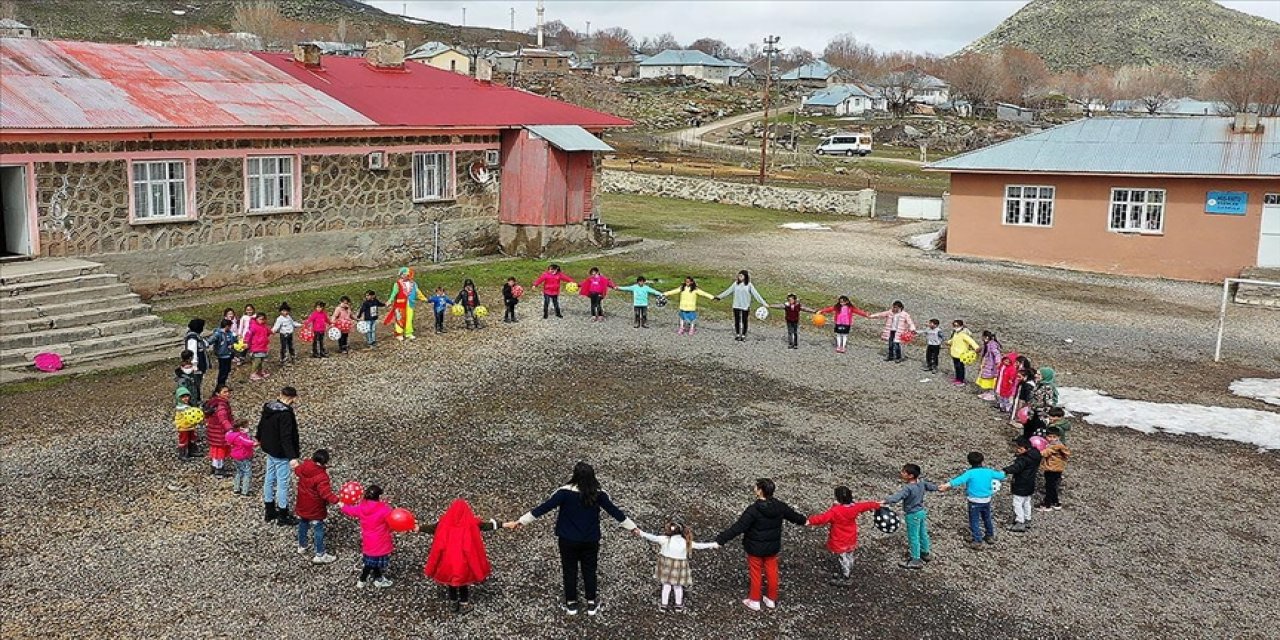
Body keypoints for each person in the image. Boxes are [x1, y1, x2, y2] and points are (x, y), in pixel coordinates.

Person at [507, 462, 637, 617]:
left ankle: (571, 603)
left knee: (569, 570)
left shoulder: (563, 493)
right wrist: (633, 527)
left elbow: (543, 508)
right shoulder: (598, 494)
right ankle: (591, 602)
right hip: (590, 539)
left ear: (574, 475)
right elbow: (615, 512)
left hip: (568, 539)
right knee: (590, 570)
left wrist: (521, 521)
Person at [714, 478, 808, 612]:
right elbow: (794, 516)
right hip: (772, 546)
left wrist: (721, 540)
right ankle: (771, 599)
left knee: (756, 573)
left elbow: (738, 527)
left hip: (755, 547)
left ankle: (754, 600)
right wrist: (805, 521)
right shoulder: (779, 506)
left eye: (756, 487)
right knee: (772, 571)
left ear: (760, 491)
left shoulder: (753, 510)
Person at [419, 499, 502, 614]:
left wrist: (418, 528)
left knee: (451, 583)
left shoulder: (444, 524)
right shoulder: (471, 524)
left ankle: (453, 603)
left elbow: (432, 528)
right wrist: (505, 524)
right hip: (463, 562)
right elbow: (487, 526)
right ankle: (464, 604)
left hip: (447, 561)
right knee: (463, 584)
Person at [633, 521, 719, 612]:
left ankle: (664, 605)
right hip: (679, 566)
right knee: (678, 586)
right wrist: (714, 544)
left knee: (666, 586)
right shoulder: (686, 542)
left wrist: (640, 532)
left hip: (666, 565)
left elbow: (652, 537)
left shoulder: (665, 539)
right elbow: (700, 546)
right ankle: (678, 605)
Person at [806, 486, 880, 583]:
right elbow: (866, 505)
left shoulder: (835, 511)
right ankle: (848, 571)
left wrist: (809, 521)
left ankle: (846, 577)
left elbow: (823, 518)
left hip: (839, 538)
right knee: (850, 555)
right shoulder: (854, 507)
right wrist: (876, 504)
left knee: (842, 558)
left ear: (838, 498)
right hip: (851, 536)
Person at [939, 452, 1006, 549]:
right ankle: (990, 536)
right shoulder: (989, 471)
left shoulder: (969, 473)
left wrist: (947, 485)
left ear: (969, 462)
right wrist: (1005, 471)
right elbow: (1001, 476)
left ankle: (977, 540)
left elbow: (959, 480)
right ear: (982, 460)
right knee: (987, 518)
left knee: (974, 520)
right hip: (986, 500)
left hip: (974, 501)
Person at [257, 386, 301, 526]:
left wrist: (259, 438)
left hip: (269, 448)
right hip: (281, 453)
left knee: (269, 479)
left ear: (280, 394)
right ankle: (283, 514)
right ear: (293, 398)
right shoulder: (286, 414)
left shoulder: (268, 407)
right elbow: (286, 436)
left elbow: (261, 425)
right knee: (282, 483)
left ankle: (269, 509)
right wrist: (292, 456)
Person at [341, 484, 395, 588]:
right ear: (378, 496)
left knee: (371, 560)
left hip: (368, 540)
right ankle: (362, 579)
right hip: (381, 540)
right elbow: (392, 522)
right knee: (370, 564)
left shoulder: (362, 507)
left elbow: (351, 511)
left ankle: (378, 578)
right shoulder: (384, 509)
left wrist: (342, 505)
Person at [294, 448, 339, 565]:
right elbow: (325, 493)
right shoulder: (322, 476)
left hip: (303, 503)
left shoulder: (305, 466)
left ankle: (302, 546)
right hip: (315, 507)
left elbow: (297, 470)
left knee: (303, 523)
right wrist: (337, 501)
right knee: (318, 528)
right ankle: (320, 554)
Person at [1003, 437, 1042, 532]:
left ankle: (1019, 521)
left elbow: (1016, 468)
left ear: (1026, 448)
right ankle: (1027, 519)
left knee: (1017, 502)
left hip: (1021, 483)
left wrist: (1005, 470)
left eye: (1020, 448)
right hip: (1030, 482)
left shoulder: (1023, 459)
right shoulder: (1036, 455)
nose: (1017, 450)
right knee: (1027, 502)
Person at [715, 270, 768, 342]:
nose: (739, 277)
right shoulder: (735, 284)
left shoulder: (749, 285)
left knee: (744, 321)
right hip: (736, 305)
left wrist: (764, 303)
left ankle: (743, 335)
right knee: (737, 320)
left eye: (741, 276)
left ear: (745, 277)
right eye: (739, 276)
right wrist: (719, 297)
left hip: (745, 306)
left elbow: (756, 294)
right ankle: (737, 334)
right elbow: (728, 291)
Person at [385, 267, 428, 340]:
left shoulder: (413, 283)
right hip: (400, 304)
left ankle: (408, 333)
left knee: (409, 318)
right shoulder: (397, 284)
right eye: (404, 274)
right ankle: (399, 333)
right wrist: (390, 300)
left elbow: (418, 292)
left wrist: (424, 298)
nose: (406, 276)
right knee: (400, 318)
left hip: (410, 303)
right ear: (401, 275)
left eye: (407, 274)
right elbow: (394, 293)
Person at [203, 384, 234, 478]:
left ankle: (214, 466)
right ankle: (219, 469)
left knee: (215, 449)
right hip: (219, 431)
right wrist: (229, 429)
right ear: (218, 393)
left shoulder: (213, 403)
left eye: (228, 392)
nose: (227, 394)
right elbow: (223, 419)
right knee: (220, 450)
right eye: (224, 392)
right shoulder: (221, 405)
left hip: (213, 430)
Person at [1039, 427, 1071, 511]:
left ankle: (1047, 504)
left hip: (1052, 469)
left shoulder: (1055, 446)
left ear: (1058, 437)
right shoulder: (1057, 444)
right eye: (1050, 436)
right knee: (1052, 486)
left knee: (1049, 486)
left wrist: (1035, 453)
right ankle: (1055, 502)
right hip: (1056, 468)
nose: (1052, 439)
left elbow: (1045, 453)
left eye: (1054, 437)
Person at [225, 419, 257, 496]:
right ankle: (245, 491)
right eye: (246, 426)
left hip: (236, 456)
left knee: (239, 472)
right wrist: (256, 443)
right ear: (241, 428)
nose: (247, 428)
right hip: (243, 456)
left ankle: (236, 488)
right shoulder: (240, 437)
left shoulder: (231, 434)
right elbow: (248, 443)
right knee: (247, 473)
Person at [182, 319, 210, 404]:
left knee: (198, 381)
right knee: (195, 382)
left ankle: (197, 398)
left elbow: (206, 344)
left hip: (199, 365)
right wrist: (194, 365)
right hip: (196, 366)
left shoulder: (197, 336)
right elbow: (192, 352)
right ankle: (195, 400)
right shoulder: (192, 338)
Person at [945, 319, 980, 386]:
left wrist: (976, 347)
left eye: (957, 326)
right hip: (954, 353)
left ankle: (961, 380)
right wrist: (948, 342)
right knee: (956, 367)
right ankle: (957, 378)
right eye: (954, 326)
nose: (955, 327)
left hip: (961, 354)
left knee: (960, 367)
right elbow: (953, 340)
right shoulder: (955, 333)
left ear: (961, 326)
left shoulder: (963, 335)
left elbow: (971, 341)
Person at [173, 387, 201, 461]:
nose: (186, 398)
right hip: (183, 427)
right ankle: (183, 454)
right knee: (183, 440)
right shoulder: (180, 407)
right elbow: (188, 415)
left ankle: (192, 451)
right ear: (178, 398)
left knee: (192, 438)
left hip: (190, 426)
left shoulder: (188, 406)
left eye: (187, 396)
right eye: (183, 397)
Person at [245, 312, 272, 381]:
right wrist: (246, 342)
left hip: (263, 346)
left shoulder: (264, 326)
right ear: (256, 319)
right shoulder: (253, 326)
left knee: (261, 360)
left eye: (263, 319)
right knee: (257, 360)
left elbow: (268, 332)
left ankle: (260, 372)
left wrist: (270, 331)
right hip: (256, 346)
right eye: (260, 319)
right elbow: (248, 335)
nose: (262, 321)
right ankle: (252, 373)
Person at [210, 318, 236, 388]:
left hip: (229, 354)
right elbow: (210, 341)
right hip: (222, 356)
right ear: (227, 326)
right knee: (222, 371)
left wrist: (233, 344)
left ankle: (223, 384)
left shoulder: (230, 333)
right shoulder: (218, 334)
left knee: (227, 370)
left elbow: (233, 341)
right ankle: (219, 386)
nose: (230, 328)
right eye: (230, 326)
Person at [976, 331, 1003, 396]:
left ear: (986, 337)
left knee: (991, 378)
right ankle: (989, 391)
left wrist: (998, 362)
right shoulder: (988, 344)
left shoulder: (992, 345)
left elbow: (997, 354)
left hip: (991, 365)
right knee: (988, 377)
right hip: (987, 363)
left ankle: (992, 393)